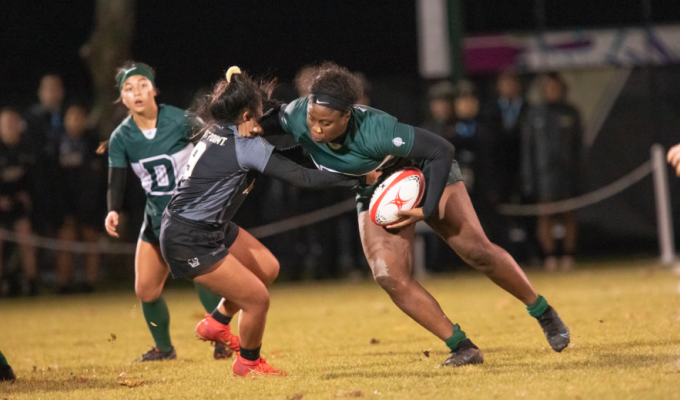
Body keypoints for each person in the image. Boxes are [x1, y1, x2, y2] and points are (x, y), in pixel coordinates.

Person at [256, 62, 570, 367]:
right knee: (388, 274)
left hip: (425, 171)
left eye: (326, 122)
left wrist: (427, 209)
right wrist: (242, 121)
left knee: (477, 252)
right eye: (313, 119)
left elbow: (440, 151)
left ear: (347, 116)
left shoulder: (376, 130)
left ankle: (541, 310)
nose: (316, 128)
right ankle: (462, 347)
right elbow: (260, 121)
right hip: (377, 187)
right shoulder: (297, 114)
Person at [160, 67, 360, 376]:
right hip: (188, 237)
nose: (260, 125)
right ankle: (248, 363)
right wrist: (357, 175)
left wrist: (313, 150)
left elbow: (284, 160)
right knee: (256, 300)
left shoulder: (219, 129)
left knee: (267, 267)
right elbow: (303, 177)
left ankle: (216, 323)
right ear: (243, 116)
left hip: (208, 225)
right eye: (256, 117)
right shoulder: (245, 144)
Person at [105, 62, 229, 362]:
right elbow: (116, 179)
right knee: (146, 289)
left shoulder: (180, 120)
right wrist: (112, 210)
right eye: (128, 88)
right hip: (156, 219)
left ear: (154, 90)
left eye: (142, 85)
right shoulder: (121, 137)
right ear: (121, 97)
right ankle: (164, 348)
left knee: (205, 278)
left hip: (191, 218)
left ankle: (221, 341)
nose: (136, 92)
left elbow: (217, 145)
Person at [522, 73, 582, 272]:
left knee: (568, 214)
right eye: (548, 88)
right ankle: (549, 256)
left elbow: (579, 147)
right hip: (543, 175)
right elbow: (528, 150)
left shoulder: (571, 112)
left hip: (566, 173)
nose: (552, 92)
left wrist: (580, 175)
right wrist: (530, 179)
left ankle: (567, 256)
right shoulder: (534, 114)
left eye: (556, 88)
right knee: (545, 215)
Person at [55, 104, 105, 293]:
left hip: (90, 203)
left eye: (79, 117)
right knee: (65, 238)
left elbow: (100, 179)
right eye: (71, 117)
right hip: (65, 202)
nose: (75, 121)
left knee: (90, 239)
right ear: (65, 121)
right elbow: (53, 179)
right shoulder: (57, 144)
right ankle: (64, 284)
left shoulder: (95, 145)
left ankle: (89, 283)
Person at [0, 108, 38, 296]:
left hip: (20, 204)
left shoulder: (27, 148)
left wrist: (25, 195)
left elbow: (33, 179)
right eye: (5, 123)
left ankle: (31, 283)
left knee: (26, 237)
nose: (9, 127)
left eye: (13, 123)